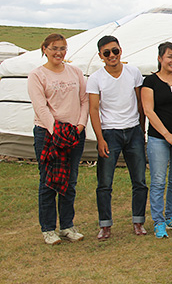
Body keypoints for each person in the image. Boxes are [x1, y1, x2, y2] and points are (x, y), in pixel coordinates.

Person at [27, 33, 88, 245]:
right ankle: (48, 229)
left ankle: (67, 226)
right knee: (48, 181)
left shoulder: (76, 72)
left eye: (62, 48)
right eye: (54, 48)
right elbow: (40, 106)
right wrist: (57, 131)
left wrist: (80, 125)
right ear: (44, 49)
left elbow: (84, 100)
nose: (58, 52)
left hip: (74, 132)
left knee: (70, 181)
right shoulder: (37, 75)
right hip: (48, 133)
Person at [87, 35, 148, 240]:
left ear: (121, 50)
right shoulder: (96, 78)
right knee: (104, 182)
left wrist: (141, 129)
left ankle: (138, 222)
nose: (112, 55)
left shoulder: (133, 72)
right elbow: (93, 109)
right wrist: (100, 138)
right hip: (109, 132)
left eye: (115, 51)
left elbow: (140, 103)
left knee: (139, 180)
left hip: (133, 131)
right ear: (100, 56)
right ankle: (105, 225)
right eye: (107, 53)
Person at [141, 42, 172, 239]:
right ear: (160, 58)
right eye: (169, 56)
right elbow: (148, 111)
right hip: (158, 138)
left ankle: (171, 216)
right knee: (158, 181)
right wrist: (166, 135)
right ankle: (158, 221)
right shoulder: (150, 81)